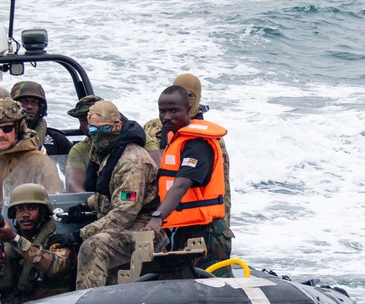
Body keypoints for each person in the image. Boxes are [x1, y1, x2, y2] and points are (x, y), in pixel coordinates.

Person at [49, 100, 159, 290]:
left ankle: (87, 300)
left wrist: (79, 235)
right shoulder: (105, 151)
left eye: (105, 128)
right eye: (93, 129)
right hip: (118, 221)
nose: (99, 134)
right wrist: (87, 206)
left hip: (141, 226)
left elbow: (125, 214)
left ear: (118, 126)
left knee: (93, 246)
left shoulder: (132, 161)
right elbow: (106, 193)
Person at [144, 85, 233, 277]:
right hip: (184, 230)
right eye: (162, 111)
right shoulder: (174, 140)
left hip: (207, 233)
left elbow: (182, 184)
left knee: (215, 285)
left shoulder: (197, 145)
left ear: (188, 110)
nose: (167, 116)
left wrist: (158, 216)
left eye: (174, 110)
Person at [142, 73, 232, 226]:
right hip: (165, 212)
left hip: (200, 216)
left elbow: (221, 181)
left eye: (191, 95)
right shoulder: (152, 128)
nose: (168, 116)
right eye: (163, 111)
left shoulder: (204, 138)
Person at [0, 97, 63, 220]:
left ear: (19, 128)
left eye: (7, 128)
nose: (1, 134)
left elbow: (55, 206)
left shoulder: (39, 161)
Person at [10, 80, 72, 156]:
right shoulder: (2, 136)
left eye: (34, 102)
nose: (30, 107)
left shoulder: (56, 139)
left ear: (41, 107)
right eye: (24, 102)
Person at [63, 94, 102, 192]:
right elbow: (72, 184)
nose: (89, 124)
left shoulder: (131, 141)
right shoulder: (80, 150)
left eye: (93, 118)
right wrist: (90, 203)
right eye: (84, 119)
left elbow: (132, 193)